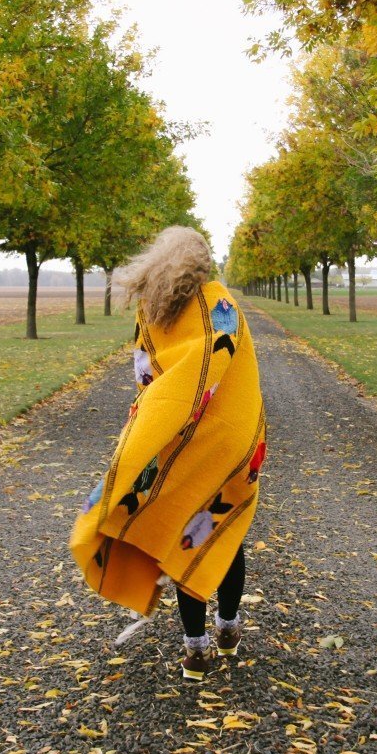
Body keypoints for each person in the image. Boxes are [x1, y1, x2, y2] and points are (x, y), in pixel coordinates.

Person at [69, 226, 267, 680]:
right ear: (202, 262)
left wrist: (154, 423)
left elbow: (145, 377)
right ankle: (229, 629)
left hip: (179, 441)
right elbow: (235, 373)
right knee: (222, 528)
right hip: (226, 440)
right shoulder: (223, 307)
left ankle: (195, 649)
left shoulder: (151, 312)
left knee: (188, 532)